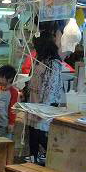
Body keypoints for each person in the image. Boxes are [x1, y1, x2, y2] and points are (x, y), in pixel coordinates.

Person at [26, 31, 63, 163]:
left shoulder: (54, 63)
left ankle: (55, 158)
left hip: (44, 104)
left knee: (41, 133)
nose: (35, 49)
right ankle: (32, 158)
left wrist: (43, 107)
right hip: (33, 101)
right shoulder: (39, 60)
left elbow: (51, 87)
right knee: (32, 132)